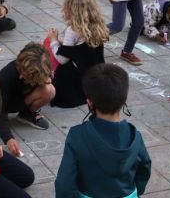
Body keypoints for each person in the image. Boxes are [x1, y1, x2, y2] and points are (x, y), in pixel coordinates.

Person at [55, 63, 151, 198]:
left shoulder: (77, 136)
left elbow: (64, 185)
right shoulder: (135, 136)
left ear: (89, 103)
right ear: (123, 101)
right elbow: (145, 168)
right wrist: (136, 192)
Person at [45, 0, 109, 108]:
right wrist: (61, 41)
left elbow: (62, 59)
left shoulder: (73, 29)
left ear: (71, 10)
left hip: (75, 77)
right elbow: (80, 49)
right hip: (93, 73)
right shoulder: (97, 26)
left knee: (58, 69)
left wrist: (53, 41)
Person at [0, 43, 56, 156]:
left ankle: (26, 114)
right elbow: (0, 110)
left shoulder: (43, 67)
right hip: (9, 103)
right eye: (32, 79)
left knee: (50, 90)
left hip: (24, 98)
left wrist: (47, 79)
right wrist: (8, 138)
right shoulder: (8, 74)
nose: (34, 82)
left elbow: (49, 76)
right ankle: (22, 112)